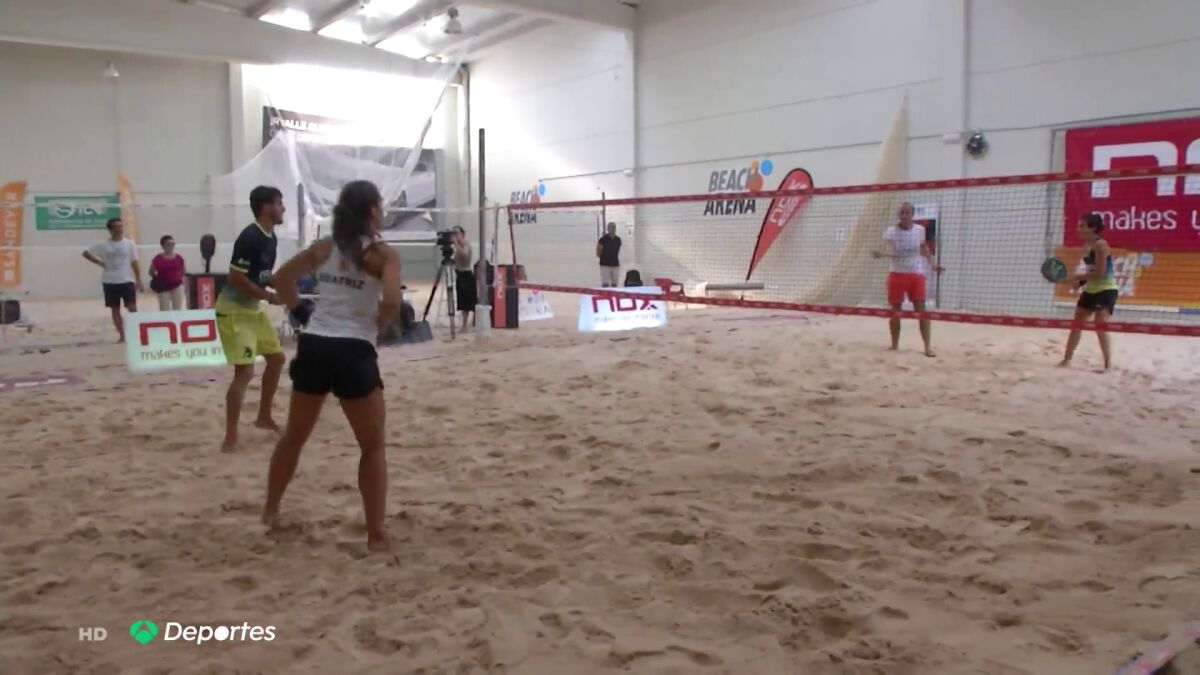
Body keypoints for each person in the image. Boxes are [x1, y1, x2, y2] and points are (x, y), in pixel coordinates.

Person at [263, 180, 403, 553]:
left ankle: (270, 510)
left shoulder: (325, 247)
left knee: (294, 436)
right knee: (372, 447)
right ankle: (376, 535)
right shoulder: (383, 255)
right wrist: (378, 327)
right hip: (354, 349)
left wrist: (299, 310)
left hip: (315, 344)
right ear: (372, 210)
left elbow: (281, 279)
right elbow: (392, 301)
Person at [216, 186, 287, 453]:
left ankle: (263, 417)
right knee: (245, 372)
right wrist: (269, 296)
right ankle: (230, 437)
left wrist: (282, 284)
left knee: (277, 360)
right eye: (279, 203)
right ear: (266, 207)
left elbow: (262, 275)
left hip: (252, 310)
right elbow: (236, 278)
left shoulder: (271, 237)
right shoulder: (250, 236)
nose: (283, 208)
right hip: (234, 311)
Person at [873, 202, 942, 357]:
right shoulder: (891, 231)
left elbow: (924, 249)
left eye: (907, 213)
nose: (903, 216)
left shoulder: (920, 230)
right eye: (901, 212)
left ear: (912, 215)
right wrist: (880, 253)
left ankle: (927, 347)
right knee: (895, 312)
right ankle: (894, 345)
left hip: (916, 274)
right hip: (897, 274)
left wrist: (933, 265)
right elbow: (884, 248)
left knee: (922, 311)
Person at [1060, 213, 1117, 371]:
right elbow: (1091, 270)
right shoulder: (1086, 246)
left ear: (1093, 228)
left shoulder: (1101, 245)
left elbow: (1100, 272)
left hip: (1106, 289)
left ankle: (1108, 365)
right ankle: (1066, 360)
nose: (1078, 229)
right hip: (1091, 289)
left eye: (1082, 226)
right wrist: (1080, 282)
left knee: (1100, 326)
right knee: (1076, 324)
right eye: (1079, 225)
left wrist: (1074, 277)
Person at [82, 217, 142, 343]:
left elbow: (134, 261)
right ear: (110, 229)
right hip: (110, 281)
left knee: (132, 307)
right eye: (116, 226)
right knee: (115, 309)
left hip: (126, 280)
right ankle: (122, 335)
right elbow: (86, 253)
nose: (119, 229)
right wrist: (100, 262)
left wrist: (138, 279)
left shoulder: (129, 244)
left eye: (120, 226)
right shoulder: (103, 244)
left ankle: (135, 333)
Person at [149, 235, 186, 310]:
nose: (171, 246)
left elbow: (183, 270)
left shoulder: (179, 258)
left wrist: (178, 278)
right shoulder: (158, 259)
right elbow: (151, 272)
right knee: (164, 308)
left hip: (177, 286)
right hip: (163, 287)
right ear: (163, 246)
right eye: (168, 244)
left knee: (178, 308)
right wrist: (158, 279)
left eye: (172, 244)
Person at [452, 226, 476, 331]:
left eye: (457, 233)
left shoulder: (465, 244)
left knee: (466, 302)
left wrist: (456, 244)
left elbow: (465, 255)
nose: (455, 235)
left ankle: (465, 325)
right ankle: (464, 324)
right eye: (454, 233)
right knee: (462, 302)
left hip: (466, 275)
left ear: (462, 234)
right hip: (460, 274)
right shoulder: (458, 246)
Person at [597, 222, 622, 288]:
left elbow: (618, 250)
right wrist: (603, 258)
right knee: (605, 283)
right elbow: (598, 251)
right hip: (605, 265)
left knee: (615, 284)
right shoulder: (603, 239)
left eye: (614, 227)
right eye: (611, 227)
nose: (612, 229)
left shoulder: (618, 239)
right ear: (608, 229)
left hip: (615, 264)